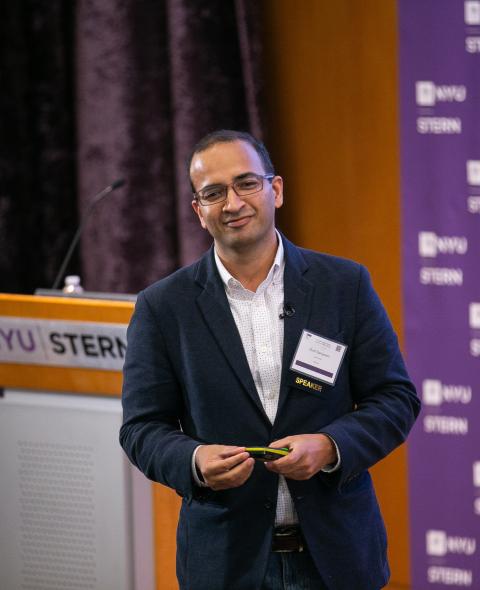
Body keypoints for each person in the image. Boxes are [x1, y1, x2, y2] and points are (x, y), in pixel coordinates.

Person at [120, 129, 420, 590]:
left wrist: (330, 446)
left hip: (337, 558)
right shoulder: (163, 307)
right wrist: (195, 460)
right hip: (226, 563)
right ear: (199, 211)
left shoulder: (344, 285)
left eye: (246, 184)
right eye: (213, 193)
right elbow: (141, 428)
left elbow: (395, 397)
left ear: (275, 189)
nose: (233, 203)